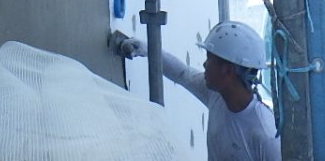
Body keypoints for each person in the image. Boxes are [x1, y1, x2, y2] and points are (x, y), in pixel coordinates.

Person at [112, 21, 280, 161]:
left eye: (209, 58)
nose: (205, 64)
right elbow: (183, 74)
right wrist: (145, 49)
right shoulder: (218, 96)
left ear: (228, 70)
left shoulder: (265, 133)